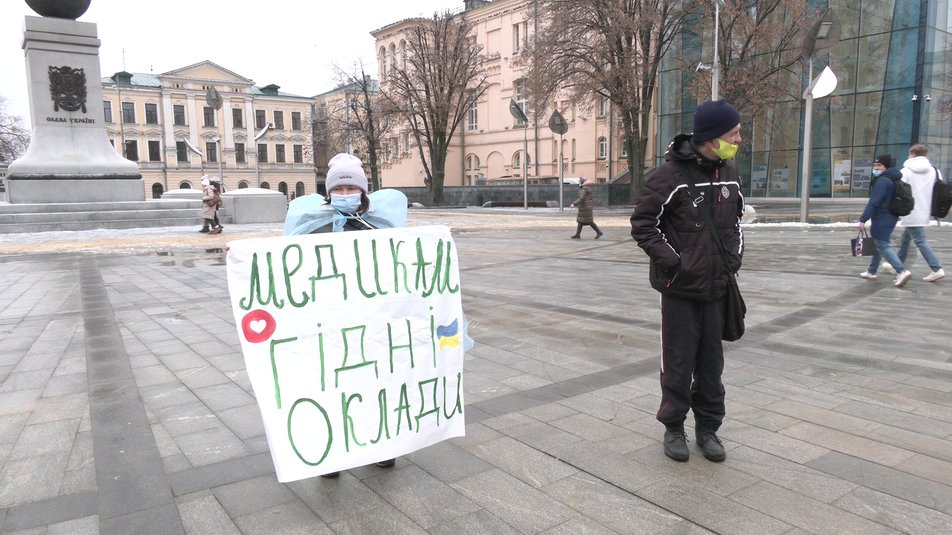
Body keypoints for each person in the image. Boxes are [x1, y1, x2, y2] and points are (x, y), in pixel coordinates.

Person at [631, 99, 745, 463]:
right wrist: (676, 265)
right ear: (711, 139)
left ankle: (709, 428)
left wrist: (734, 259)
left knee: (712, 365)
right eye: (734, 134)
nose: (739, 139)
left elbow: (737, 222)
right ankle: (674, 426)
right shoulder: (667, 177)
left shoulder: (730, 173)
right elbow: (643, 226)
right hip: (679, 290)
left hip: (717, 288)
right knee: (678, 362)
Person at [283, 152, 407, 477]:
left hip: (372, 322)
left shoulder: (379, 225)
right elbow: (283, 260)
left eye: (352, 188)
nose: (346, 194)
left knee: (375, 383)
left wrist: (439, 245)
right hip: (328, 323)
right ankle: (332, 452)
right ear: (329, 192)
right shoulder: (314, 225)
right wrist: (240, 254)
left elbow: (404, 260)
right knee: (331, 386)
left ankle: (382, 444)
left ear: (364, 191)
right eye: (339, 189)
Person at [881, 145, 944, 282]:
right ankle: (897, 265)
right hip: (925, 209)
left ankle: (936, 268)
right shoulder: (934, 170)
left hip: (909, 209)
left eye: (909, 154)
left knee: (920, 240)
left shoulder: (906, 171)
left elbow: (898, 189)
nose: (908, 157)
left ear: (913, 154)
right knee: (906, 238)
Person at [858, 154, 912, 287]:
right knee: (879, 244)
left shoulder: (883, 181)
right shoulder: (893, 179)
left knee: (883, 244)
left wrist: (863, 219)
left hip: (882, 216)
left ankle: (901, 271)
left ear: (886, 166)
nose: (876, 168)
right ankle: (872, 271)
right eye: (875, 165)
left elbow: (874, 202)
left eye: (879, 165)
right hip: (891, 216)